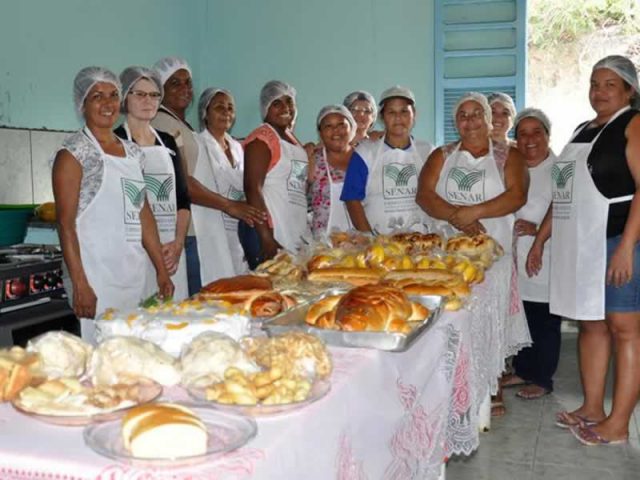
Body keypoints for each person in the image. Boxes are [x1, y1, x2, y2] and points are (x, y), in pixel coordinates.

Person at [527, 55, 640, 445]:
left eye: (611, 84)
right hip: (581, 243)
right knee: (591, 324)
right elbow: (564, 194)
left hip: (616, 242)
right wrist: (542, 239)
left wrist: (626, 246)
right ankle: (592, 407)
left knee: (624, 329)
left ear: (629, 90)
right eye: (595, 83)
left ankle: (619, 423)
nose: (600, 91)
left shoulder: (633, 124)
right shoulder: (581, 129)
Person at [416, 92, 529, 416]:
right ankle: (457, 383)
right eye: (462, 116)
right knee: (456, 319)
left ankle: (492, 387)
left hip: (495, 255)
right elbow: (424, 195)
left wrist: (474, 211)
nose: (469, 121)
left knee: (492, 321)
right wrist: (457, 216)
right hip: (450, 258)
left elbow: (516, 196)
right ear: (456, 123)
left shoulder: (510, 156)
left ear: (489, 119)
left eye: (476, 113)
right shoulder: (443, 155)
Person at [52, 67, 173, 342]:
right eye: (97, 96)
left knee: (133, 352)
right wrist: (80, 283)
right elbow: (65, 224)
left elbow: (143, 213)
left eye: (113, 95)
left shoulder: (132, 153)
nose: (107, 104)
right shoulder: (73, 154)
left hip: (133, 272)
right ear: (83, 104)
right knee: (100, 359)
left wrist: (161, 272)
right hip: (95, 276)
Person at [114, 66, 190, 301]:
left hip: (171, 251)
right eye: (140, 94)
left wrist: (177, 245)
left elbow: (182, 198)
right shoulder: (116, 141)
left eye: (154, 95)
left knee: (174, 318)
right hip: (134, 248)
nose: (149, 100)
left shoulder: (167, 140)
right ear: (125, 98)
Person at [501, 108, 560, 399]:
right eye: (522, 134)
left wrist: (538, 230)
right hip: (513, 257)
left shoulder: (560, 169)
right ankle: (523, 370)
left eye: (537, 132)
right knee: (520, 315)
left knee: (543, 320)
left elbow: (570, 214)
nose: (530, 139)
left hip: (547, 256)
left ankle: (542, 377)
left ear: (548, 136)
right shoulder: (513, 167)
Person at [192, 87, 266, 283]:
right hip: (211, 223)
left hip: (240, 228)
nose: (226, 112)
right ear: (204, 113)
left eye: (230, 108)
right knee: (218, 281)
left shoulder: (238, 147)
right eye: (219, 107)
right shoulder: (198, 143)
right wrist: (230, 205)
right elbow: (193, 186)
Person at [341, 86, 434, 234]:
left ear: (414, 114)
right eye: (391, 112)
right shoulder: (365, 152)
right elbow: (352, 199)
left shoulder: (428, 152)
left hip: (421, 242)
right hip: (380, 245)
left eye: (404, 111)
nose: (398, 117)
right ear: (382, 117)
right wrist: (369, 239)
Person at [242, 80, 310, 266]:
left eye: (289, 102)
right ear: (265, 108)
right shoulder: (262, 139)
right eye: (276, 103)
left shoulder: (293, 140)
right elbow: (252, 188)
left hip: (294, 229)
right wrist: (266, 237)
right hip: (271, 232)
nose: (285, 107)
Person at [151, 56, 201, 295]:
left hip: (192, 227)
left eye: (188, 83)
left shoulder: (181, 124)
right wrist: (230, 205)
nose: (185, 89)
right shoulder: (161, 124)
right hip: (181, 231)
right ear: (159, 89)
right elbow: (184, 184)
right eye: (175, 83)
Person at [308, 105, 357, 237]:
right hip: (323, 245)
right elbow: (297, 198)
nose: (335, 130)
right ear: (320, 133)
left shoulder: (365, 157)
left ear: (351, 128)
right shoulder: (311, 160)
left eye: (341, 125)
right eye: (328, 126)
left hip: (362, 242)